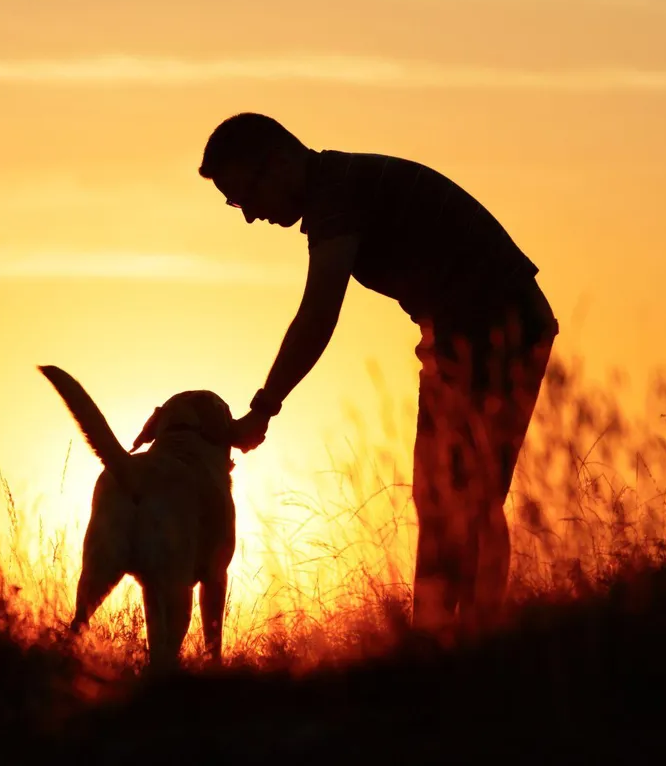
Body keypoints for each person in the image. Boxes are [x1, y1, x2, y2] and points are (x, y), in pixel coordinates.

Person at [201, 112, 559, 634]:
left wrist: (264, 406)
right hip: (468, 333)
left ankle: (464, 643)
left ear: (278, 161)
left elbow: (319, 312)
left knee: (467, 498)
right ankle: (444, 642)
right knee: (444, 498)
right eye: (236, 205)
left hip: (496, 328)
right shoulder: (339, 186)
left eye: (244, 196)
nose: (250, 215)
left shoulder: (336, 194)